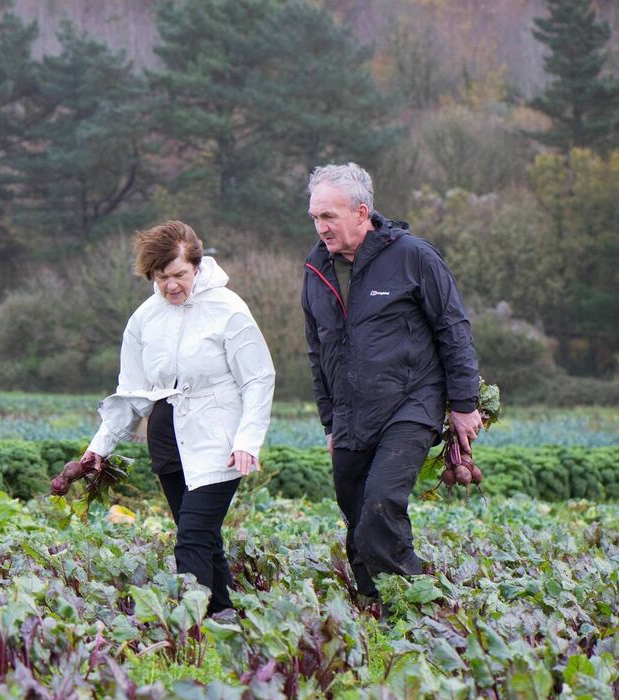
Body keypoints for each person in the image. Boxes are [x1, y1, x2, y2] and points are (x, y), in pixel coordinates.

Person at [301, 162, 482, 604]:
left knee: (381, 503)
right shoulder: (315, 269)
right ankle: (373, 604)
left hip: (410, 404)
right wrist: (330, 422)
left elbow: (452, 327)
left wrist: (463, 404)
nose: (321, 227)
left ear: (361, 213)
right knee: (357, 511)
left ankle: (412, 602)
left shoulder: (413, 256)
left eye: (329, 216)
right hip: (349, 415)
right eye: (315, 217)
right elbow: (317, 350)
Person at [83, 220, 275, 616]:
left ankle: (192, 625)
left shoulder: (228, 309)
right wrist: (98, 447)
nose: (170, 285)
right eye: (160, 277)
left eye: (179, 275)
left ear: (197, 267)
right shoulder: (143, 319)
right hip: (167, 436)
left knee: (191, 536)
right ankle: (222, 614)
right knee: (203, 536)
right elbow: (131, 392)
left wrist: (247, 441)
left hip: (219, 440)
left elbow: (258, 378)